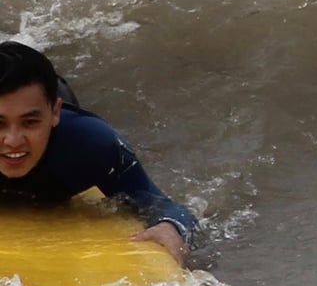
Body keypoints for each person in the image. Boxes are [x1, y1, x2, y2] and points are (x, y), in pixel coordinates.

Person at [0, 41, 197, 266]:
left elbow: (163, 206)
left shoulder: (90, 145)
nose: (13, 141)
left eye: (30, 122)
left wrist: (170, 227)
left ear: (55, 112)